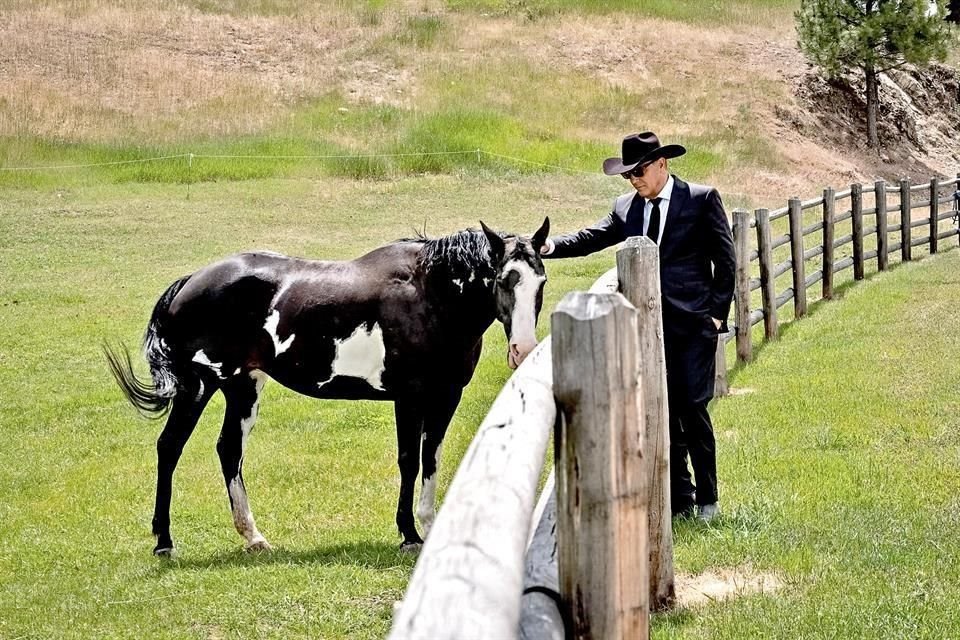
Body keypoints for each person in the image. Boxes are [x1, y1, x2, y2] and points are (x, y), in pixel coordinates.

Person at [541, 131, 735, 522]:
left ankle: (708, 500)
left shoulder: (700, 199)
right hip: (643, 329)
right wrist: (549, 247)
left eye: (640, 171)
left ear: (662, 164)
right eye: (628, 175)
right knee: (656, 408)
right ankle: (679, 496)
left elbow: (725, 260)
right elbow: (591, 238)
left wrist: (715, 315)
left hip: (691, 326)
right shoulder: (626, 207)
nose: (635, 180)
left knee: (691, 408)